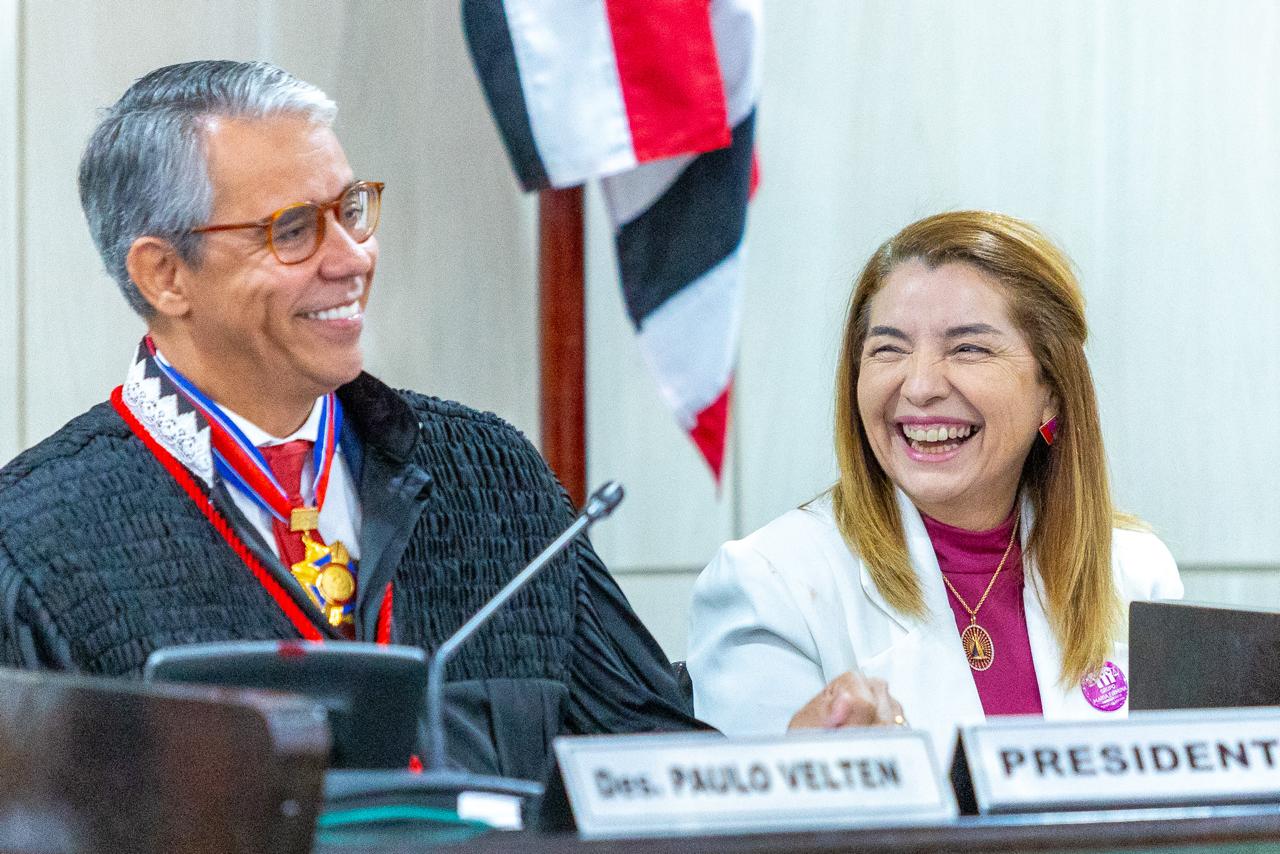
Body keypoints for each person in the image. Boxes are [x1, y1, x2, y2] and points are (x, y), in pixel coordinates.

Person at [0, 60, 697, 783]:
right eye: (294, 230)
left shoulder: (495, 475)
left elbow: (653, 771)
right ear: (165, 276)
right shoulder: (31, 545)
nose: (353, 256)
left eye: (352, 209)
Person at [688, 210, 1182, 756]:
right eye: (889, 349)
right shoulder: (768, 584)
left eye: (968, 348)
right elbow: (755, 827)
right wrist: (811, 770)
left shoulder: (1136, 571)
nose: (920, 386)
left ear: (1052, 389)